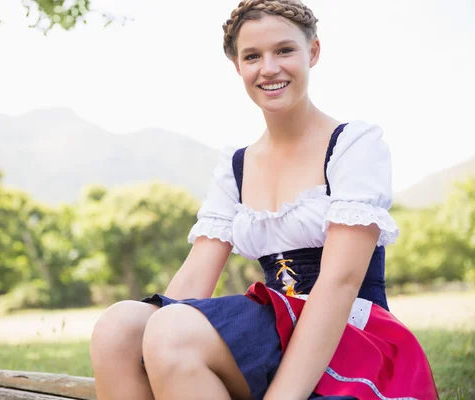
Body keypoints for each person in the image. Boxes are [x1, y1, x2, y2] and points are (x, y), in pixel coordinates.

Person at [90, 0, 438, 399]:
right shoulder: (235, 166)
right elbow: (191, 282)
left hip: (351, 332)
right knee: (119, 326)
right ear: (237, 67)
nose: (268, 68)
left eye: (284, 50)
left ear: (313, 51)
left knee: (174, 331)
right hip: (274, 329)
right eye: (252, 56)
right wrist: (146, 340)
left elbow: (340, 283)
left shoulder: (353, 144)